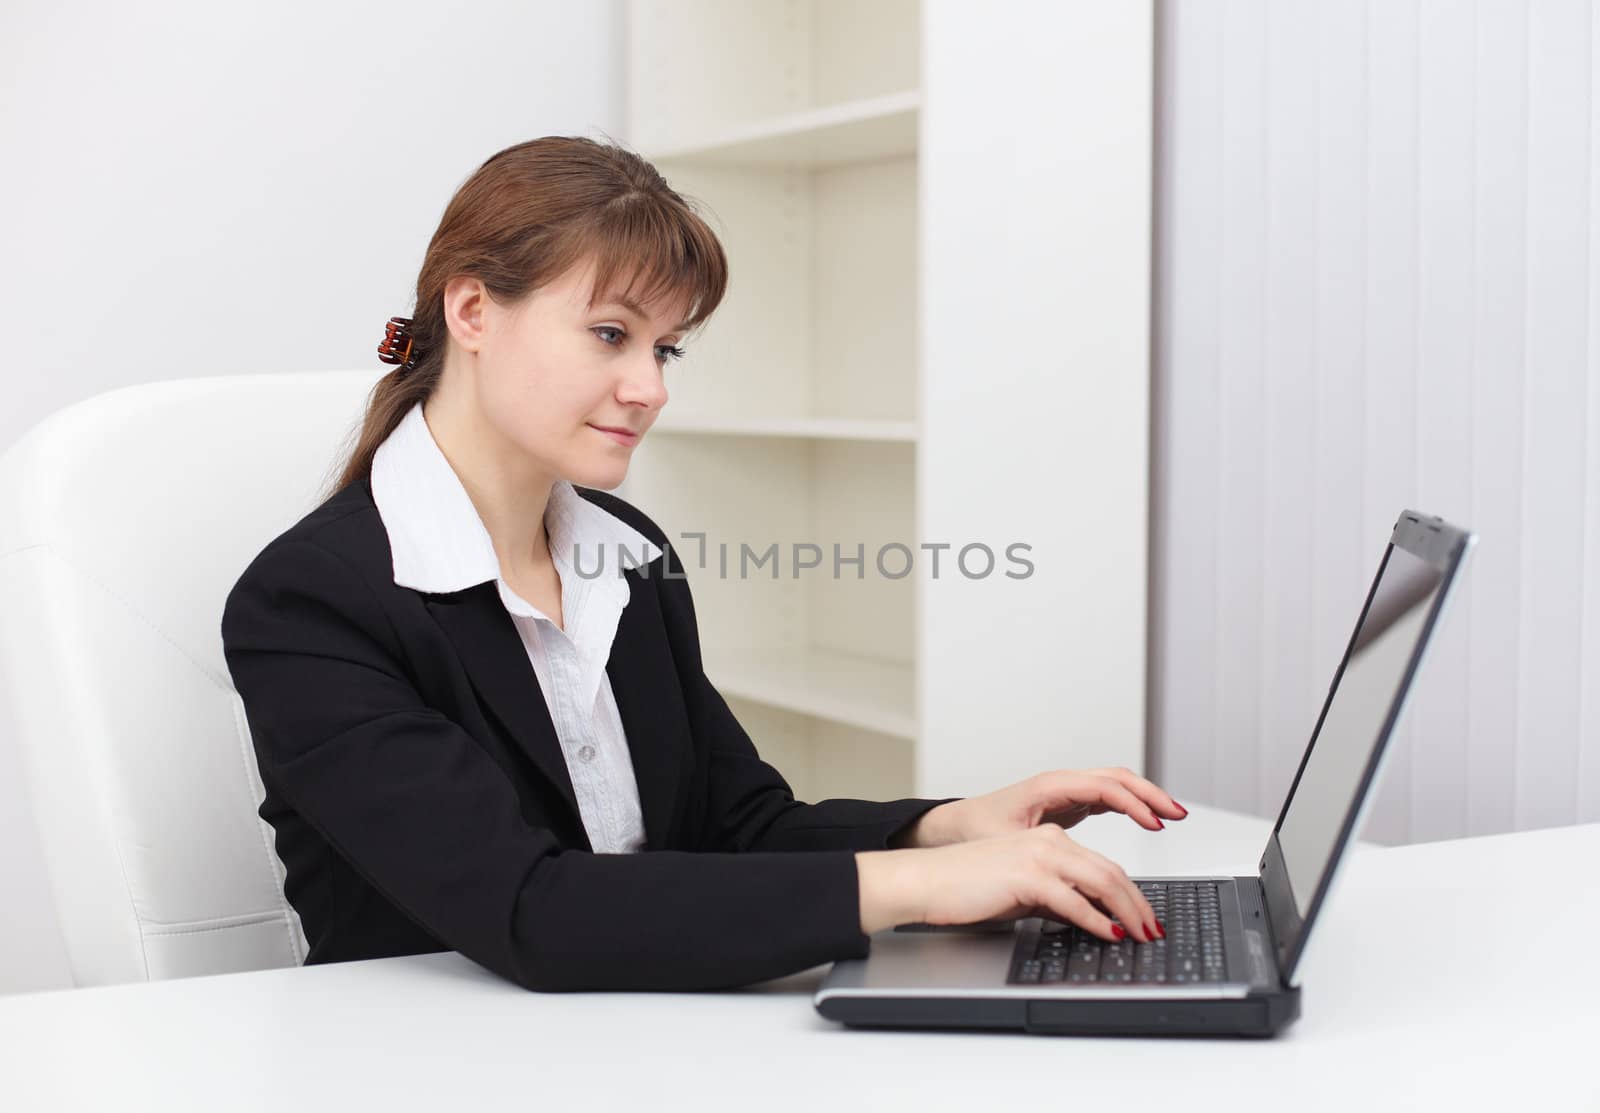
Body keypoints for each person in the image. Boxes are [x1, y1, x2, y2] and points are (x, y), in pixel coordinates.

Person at [220, 135, 1184, 994]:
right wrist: (919, 887)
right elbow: (529, 908)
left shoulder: (623, 554)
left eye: (666, 348)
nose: (649, 388)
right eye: (611, 334)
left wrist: (952, 828)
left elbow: (739, 825)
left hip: (644, 1041)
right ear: (472, 309)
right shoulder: (313, 603)